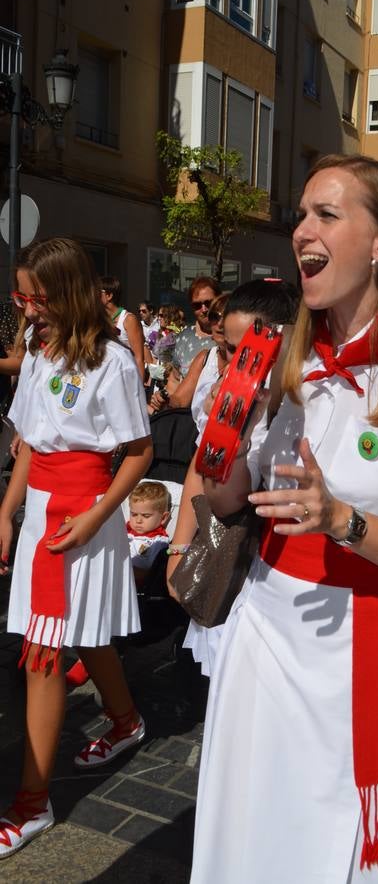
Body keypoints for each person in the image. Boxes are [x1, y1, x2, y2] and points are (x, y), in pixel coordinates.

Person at [186, 154, 378, 883]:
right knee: (260, 835)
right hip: (267, 634)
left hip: (368, 636)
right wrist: (227, 429)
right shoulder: (282, 359)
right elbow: (228, 502)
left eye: (327, 214)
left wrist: (343, 519)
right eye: (301, 214)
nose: (302, 231)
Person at [0, 238, 152, 859]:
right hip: (42, 514)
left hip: (84, 518)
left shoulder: (113, 362)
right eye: (20, 297)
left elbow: (138, 452)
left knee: (44, 653)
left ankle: (32, 803)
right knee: (84, 636)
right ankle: (126, 721)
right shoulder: (37, 350)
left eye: (31, 297)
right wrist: (7, 511)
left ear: (63, 292)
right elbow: (31, 443)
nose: (26, 310)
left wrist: (94, 518)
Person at [167, 281, 298, 673]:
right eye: (230, 350)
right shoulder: (226, 400)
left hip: (291, 577)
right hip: (235, 564)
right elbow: (210, 485)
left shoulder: (305, 403)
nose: (240, 364)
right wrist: (178, 548)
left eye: (255, 353)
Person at [173, 276, 220, 377]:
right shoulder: (183, 337)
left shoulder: (228, 338)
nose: (204, 309)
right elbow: (175, 379)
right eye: (197, 305)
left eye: (208, 303)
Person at [127, 481, 171, 582]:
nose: (138, 520)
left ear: (163, 517)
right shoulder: (123, 531)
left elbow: (151, 573)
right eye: (134, 514)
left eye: (146, 516)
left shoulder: (158, 542)